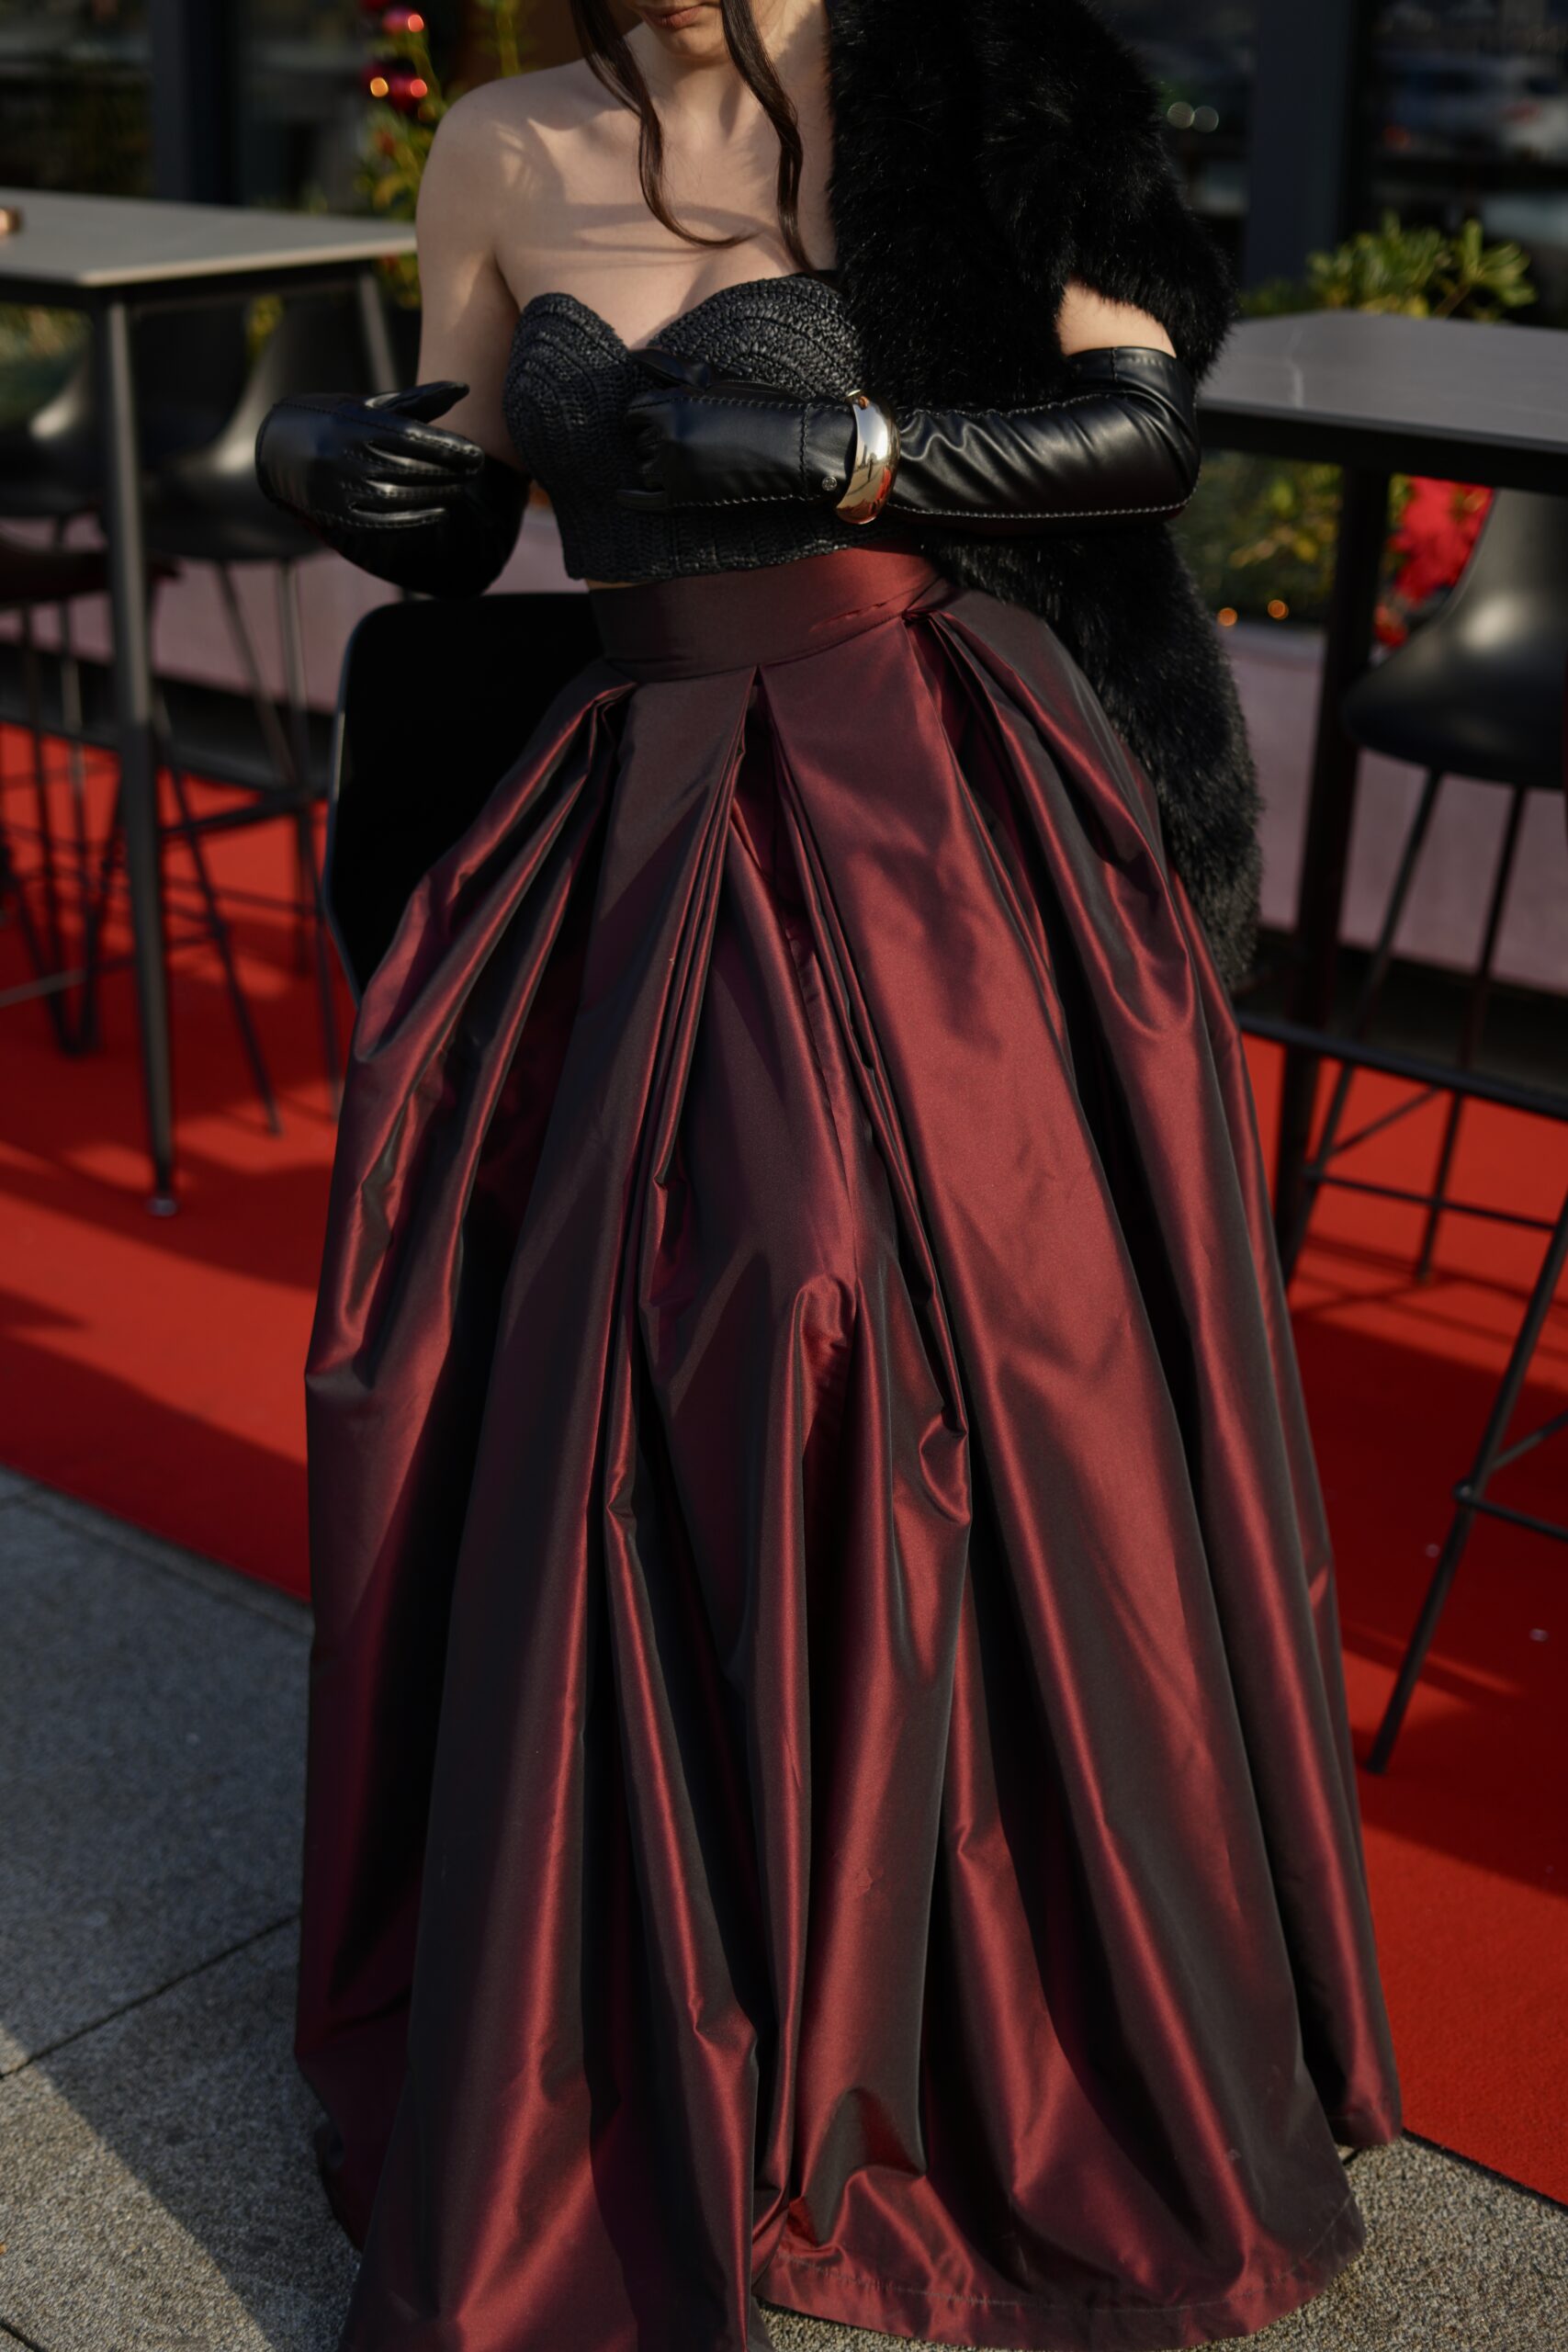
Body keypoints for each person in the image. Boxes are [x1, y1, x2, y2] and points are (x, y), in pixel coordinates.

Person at [256, 4, 1403, 2348]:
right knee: (584, 1372)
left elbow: (1135, 424)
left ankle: (924, 2016)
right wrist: (329, 463)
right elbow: (466, 503)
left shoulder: (980, 85)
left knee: (846, 1323)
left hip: (914, 798)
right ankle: (663, 1967)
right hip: (626, 796)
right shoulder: (496, 141)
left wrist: (861, 447)